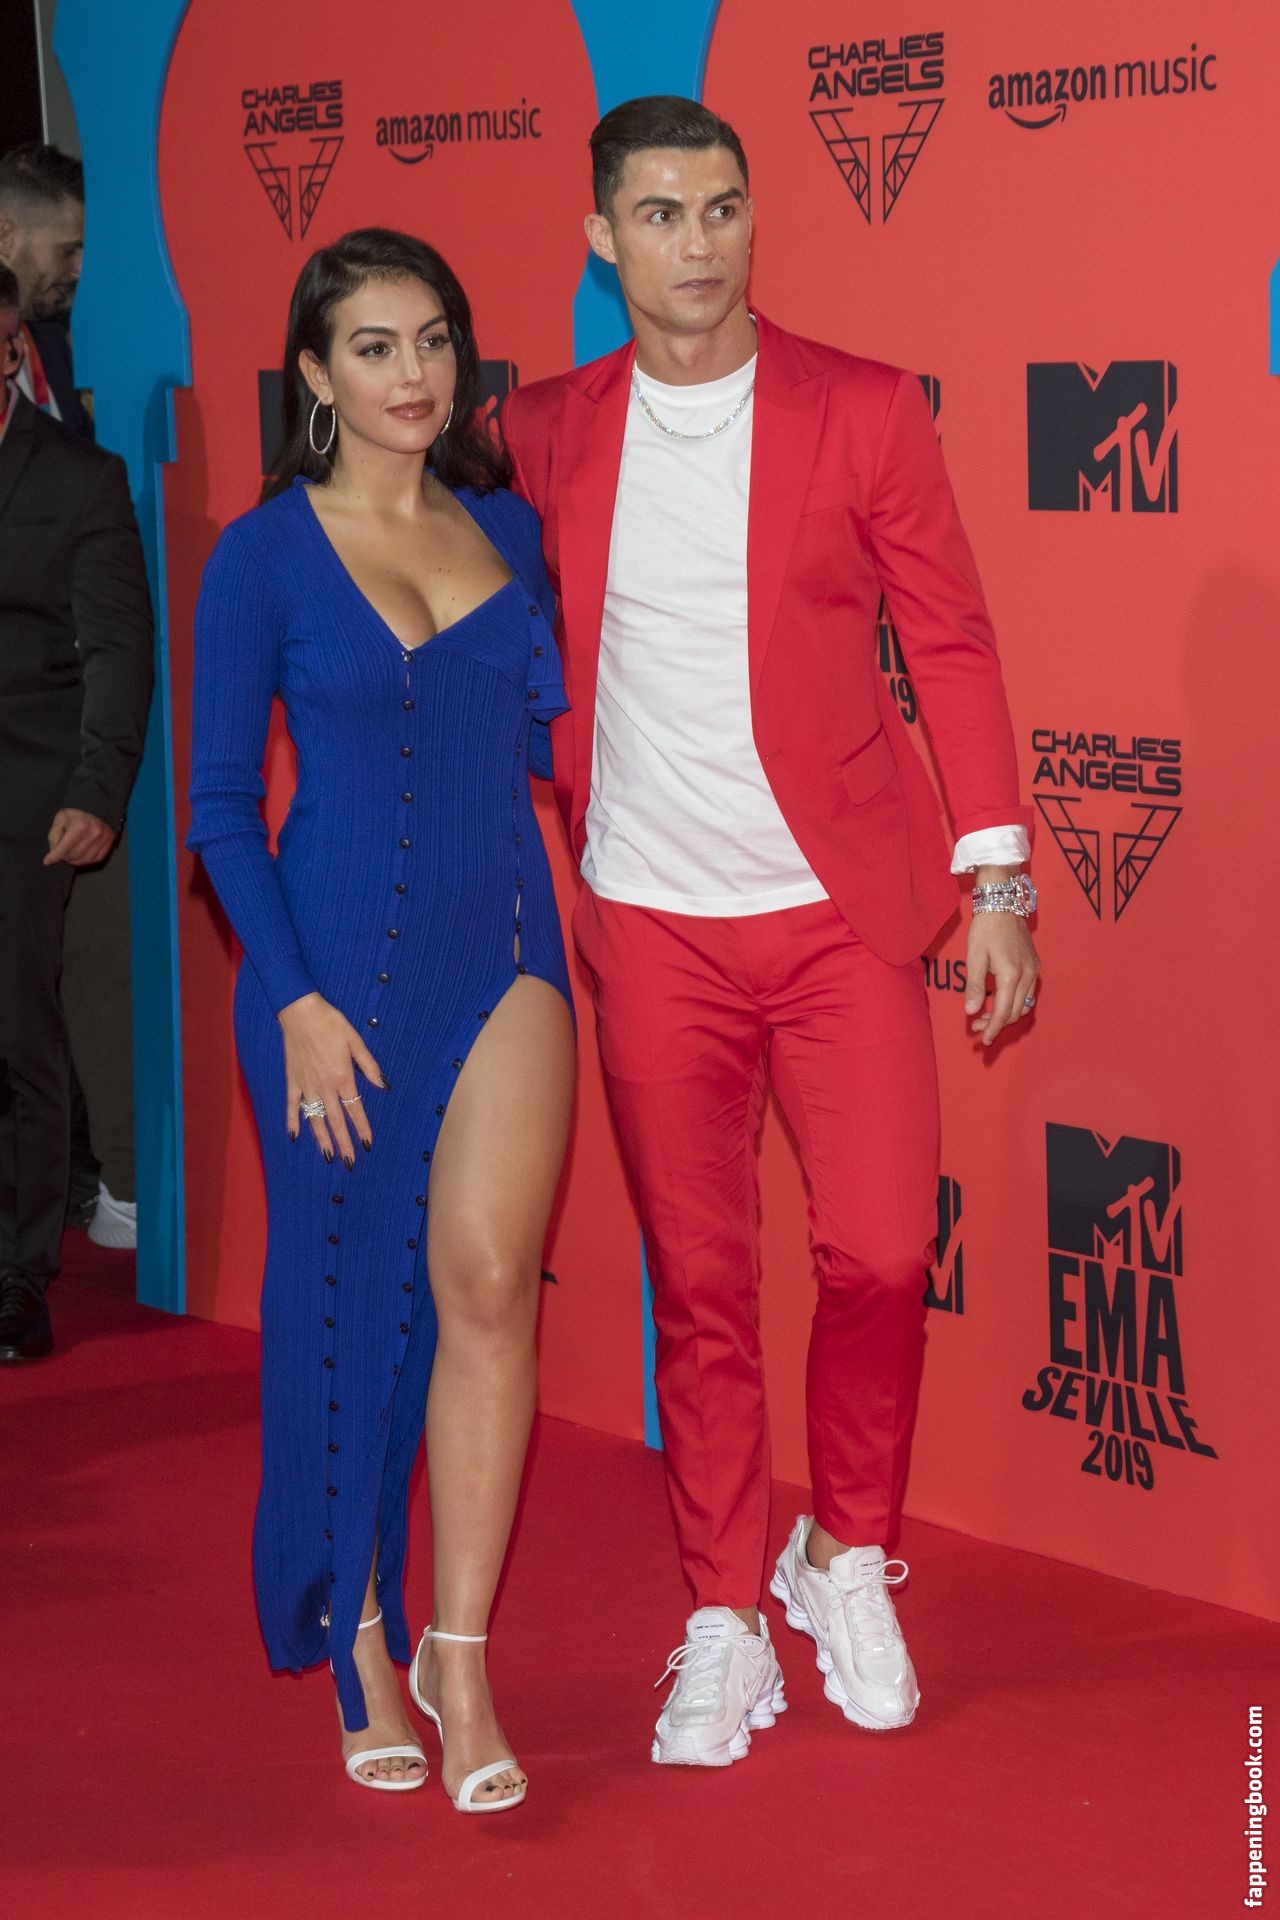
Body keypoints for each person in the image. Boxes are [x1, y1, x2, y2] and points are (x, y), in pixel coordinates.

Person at [501, 97, 1040, 1767]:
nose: (699, 242)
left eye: (723, 207)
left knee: (880, 1254)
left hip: (838, 917)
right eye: (662, 214)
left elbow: (949, 640)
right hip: (651, 924)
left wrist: (999, 881)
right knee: (703, 1283)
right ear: (602, 237)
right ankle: (724, 1614)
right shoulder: (543, 428)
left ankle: (843, 1554)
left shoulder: (861, 408)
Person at [186, 228, 573, 1808]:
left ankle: (458, 1656)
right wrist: (290, 1001)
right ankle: (355, 1626)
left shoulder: (513, 529)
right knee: (343, 1306)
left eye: (433, 341)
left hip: (508, 944)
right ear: (314, 373)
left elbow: (561, 739)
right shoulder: (262, 555)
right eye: (373, 346)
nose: (414, 374)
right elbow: (220, 807)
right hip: (329, 975)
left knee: (487, 1282)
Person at [0, 264, 153, 1363]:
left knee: (17, 1034)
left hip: (26, 793)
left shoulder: (79, 479)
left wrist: (98, 790)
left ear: (12, 349)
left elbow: (118, 649)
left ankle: (18, 1270)